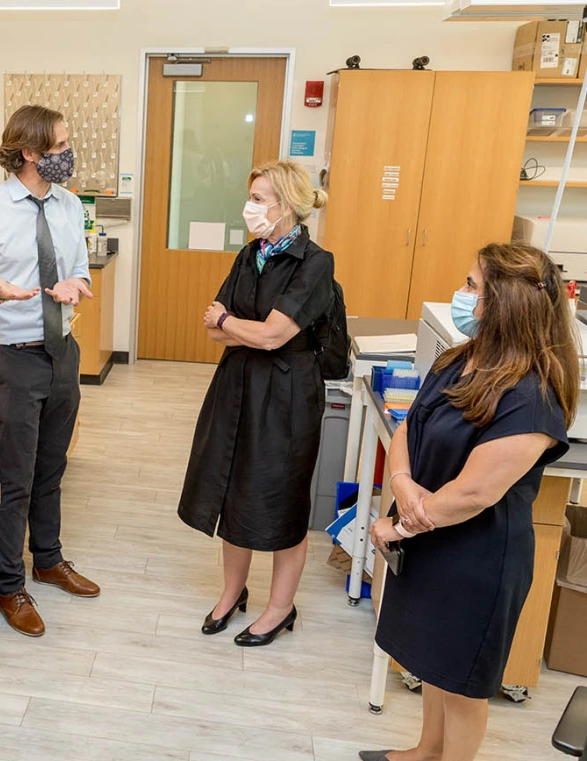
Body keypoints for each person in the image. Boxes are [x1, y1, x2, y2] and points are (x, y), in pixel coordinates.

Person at [361, 243, 577, 761]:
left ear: (502, 305)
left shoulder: (532, 394)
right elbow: (412, 422)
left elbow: (477, 492)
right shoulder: (462, 359)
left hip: (477, 560)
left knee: (461, 684)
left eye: (473, 287)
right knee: (432, 666)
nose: (461, 296)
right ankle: (425, 751)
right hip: (430, 540)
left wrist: (402, 524)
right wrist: (402, 480)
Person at [0, 104, 99, 638]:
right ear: (31, 153)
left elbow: (80, 269)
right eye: (60, 147)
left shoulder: (67, 205)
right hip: (13, 357)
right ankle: (9, 585)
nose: (69, 154)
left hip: (62, 350)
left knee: (52, 467)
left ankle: (48, 559)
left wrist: (74, 286)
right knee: (15, 478)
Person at [178, 160, 333, 647]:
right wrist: (232, 327)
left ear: (286, 206)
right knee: (234, 489)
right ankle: (231, 593)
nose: (251, 207)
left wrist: (231, 324)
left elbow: (271, 335)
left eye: (260, 199)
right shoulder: (251, 255)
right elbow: (211, 328)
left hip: (287, 395)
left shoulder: (314, 262)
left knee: (281, 499)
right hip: (238, 385)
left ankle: (280, 608)